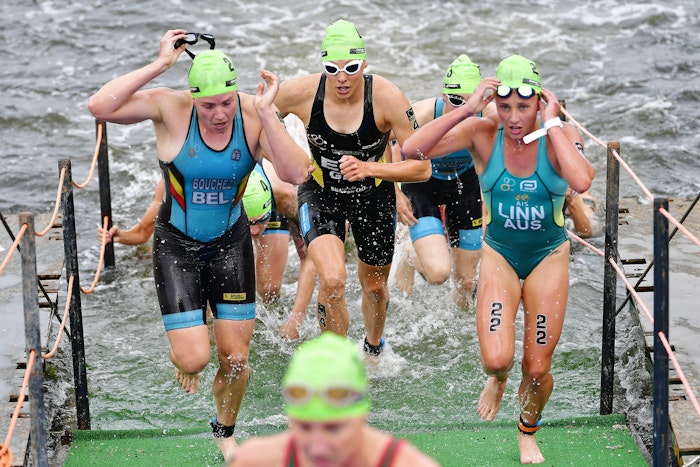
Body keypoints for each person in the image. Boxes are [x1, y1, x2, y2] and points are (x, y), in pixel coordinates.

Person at [87, 29, 311, 462]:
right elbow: (100, 106)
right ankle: (185, 352)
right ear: (193, 98)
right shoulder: (170, 108)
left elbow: (298, 173)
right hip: (177, 246)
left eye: (226, 102)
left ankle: (224, 432)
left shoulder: (252, 114)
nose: (220, 114)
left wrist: (267, 113)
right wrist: (160, 65)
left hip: (230, 244)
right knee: (193, 360)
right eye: (208, 106)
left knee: (236, 358)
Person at [402, 54, 595, 464]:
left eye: (524, 106)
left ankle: (527, 432)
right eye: (504, 106)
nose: (514, 117)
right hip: (500, 256)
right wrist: (468, 109)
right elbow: (412, 148)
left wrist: (553, 123)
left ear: (540, 101)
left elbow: (581, 179)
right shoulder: (483, 132)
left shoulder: (559, 133)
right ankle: (499, 378)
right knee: (495, 360)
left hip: (547, 257)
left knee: (538, 369)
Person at [273, 19, 430, 357]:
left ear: (365, 64)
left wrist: (370, 168)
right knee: (332, 281)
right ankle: (336, 359)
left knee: (374, 287)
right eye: (332, 69)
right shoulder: (302, 92)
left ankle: (373, 347)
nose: (342, 78)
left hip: (373, 196)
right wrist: (284, 153)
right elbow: (256, 117)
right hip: (321, 193)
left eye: (351, 68)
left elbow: (422, 167)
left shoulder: (387, 97)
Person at [230, 332, 439, 467]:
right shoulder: (256, 460)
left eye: (333, 428)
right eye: (304, 427)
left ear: (363, 416)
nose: (318, 448)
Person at [393, 54, 496, 310]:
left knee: (466, 283)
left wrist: (490, 204)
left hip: (465, 186)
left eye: (472, 102)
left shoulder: (492, 116)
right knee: (439, 274)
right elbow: (388, 143)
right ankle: (409, 253)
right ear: (443, 96)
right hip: (422, 186)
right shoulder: (422, 113)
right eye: (456, 101)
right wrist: (395, 193)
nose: (464, 110)